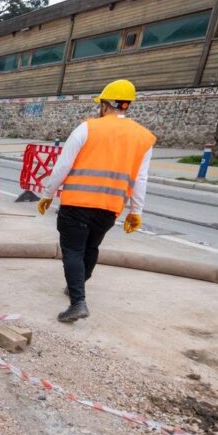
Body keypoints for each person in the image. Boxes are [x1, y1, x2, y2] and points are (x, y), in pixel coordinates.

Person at [37, 79, 155, 323]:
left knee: (73, 250)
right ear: (127, 106)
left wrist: (48, 194)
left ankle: (78, 301)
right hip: (109, 208)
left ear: (104, 105)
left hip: (77, 204)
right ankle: (76, 287)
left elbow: (62, 166)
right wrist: (136, 211)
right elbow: (141, 179)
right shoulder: (144, 137)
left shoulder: (87, 128)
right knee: (90, 248)